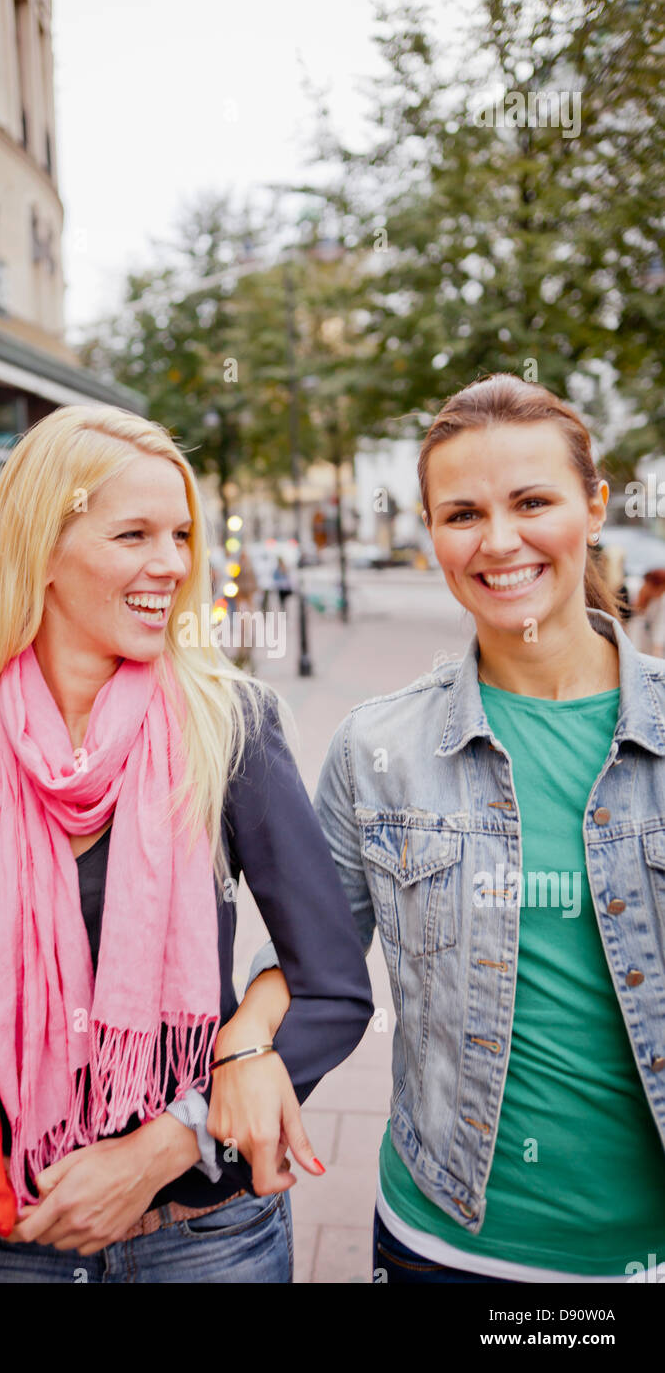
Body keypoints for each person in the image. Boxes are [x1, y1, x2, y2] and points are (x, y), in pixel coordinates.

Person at [0, 403, 373, 1284]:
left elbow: (333, 983)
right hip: (13, 1232)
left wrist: (158, 1150)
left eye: (180, 535)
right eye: (134, 534)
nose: (172, 566)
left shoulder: (229, 727)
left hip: (203, 1234)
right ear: (43, 552)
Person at [243, 374, 665, 1283]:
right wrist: (247, 1044)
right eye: (463, 513)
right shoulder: (377, 749)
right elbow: (312, 955)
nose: (500, 541)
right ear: (432, 530)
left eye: (532, 502)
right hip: (443, 1246)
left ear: (593, 508)